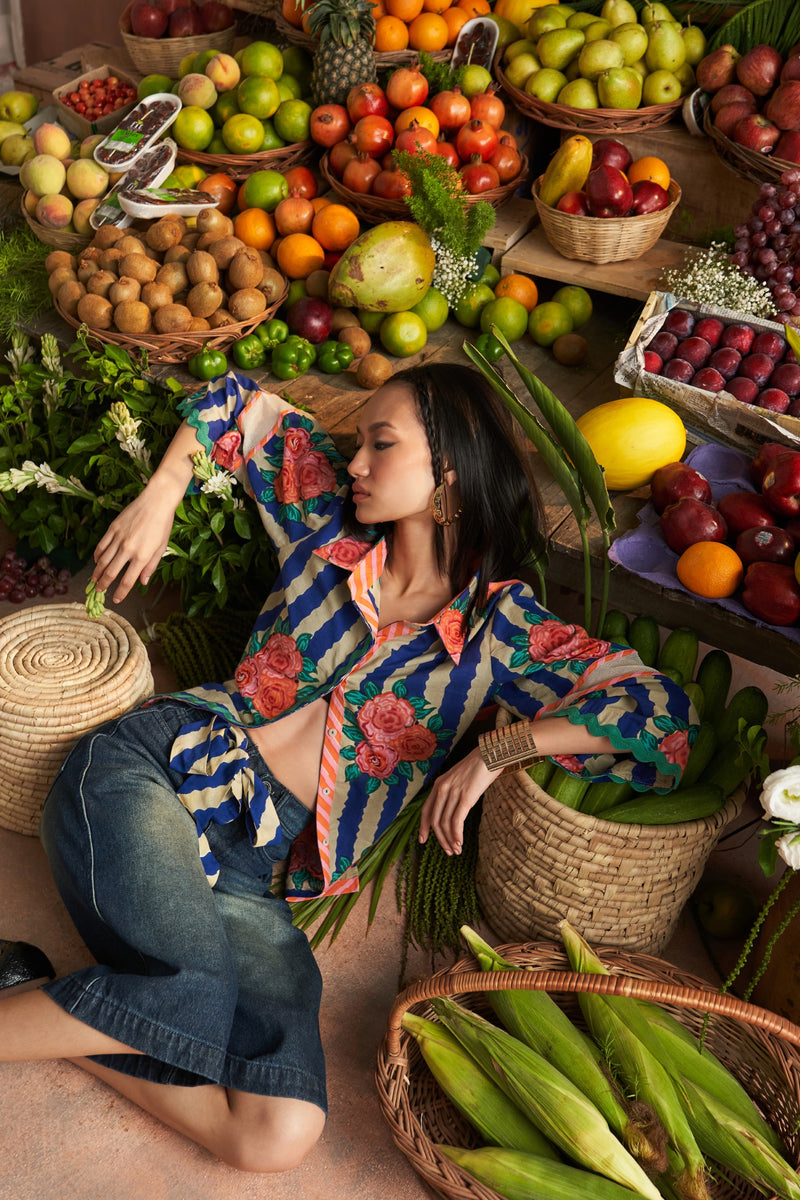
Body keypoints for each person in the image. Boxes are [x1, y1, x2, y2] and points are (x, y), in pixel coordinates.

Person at [0, 364, 696, 1172]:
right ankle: (125, 1002)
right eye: (359, 441)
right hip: (156, 773)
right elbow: (232, 401)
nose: (357, 461)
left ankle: (33, 994)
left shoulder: (500, 630)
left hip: (253, 872)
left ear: (449, 473)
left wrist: (501, 750)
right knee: (189, 998)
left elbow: (660, 714)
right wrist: (162, 491)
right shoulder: (323, 525)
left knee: (278, 1132)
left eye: (381, 443)